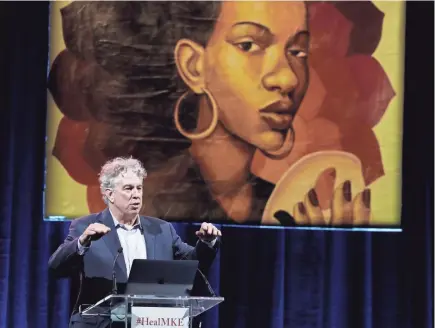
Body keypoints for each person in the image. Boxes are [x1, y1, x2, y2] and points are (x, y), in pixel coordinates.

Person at [49, 1, 371, 227]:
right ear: (193, 66)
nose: (288, 79)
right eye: (249, 45)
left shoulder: (280, 206)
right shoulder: (146, 200)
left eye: (298, 51)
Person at [48, 157, 222, 328]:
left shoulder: (162, 229)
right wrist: (82, 242)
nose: (136, 194)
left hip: (149, 322)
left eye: (139, 188)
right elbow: (56, 267)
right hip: (100, 323)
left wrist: (207, 243)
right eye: (128, 188)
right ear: (110, 194)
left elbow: (193, 266)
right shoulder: (85, 226)